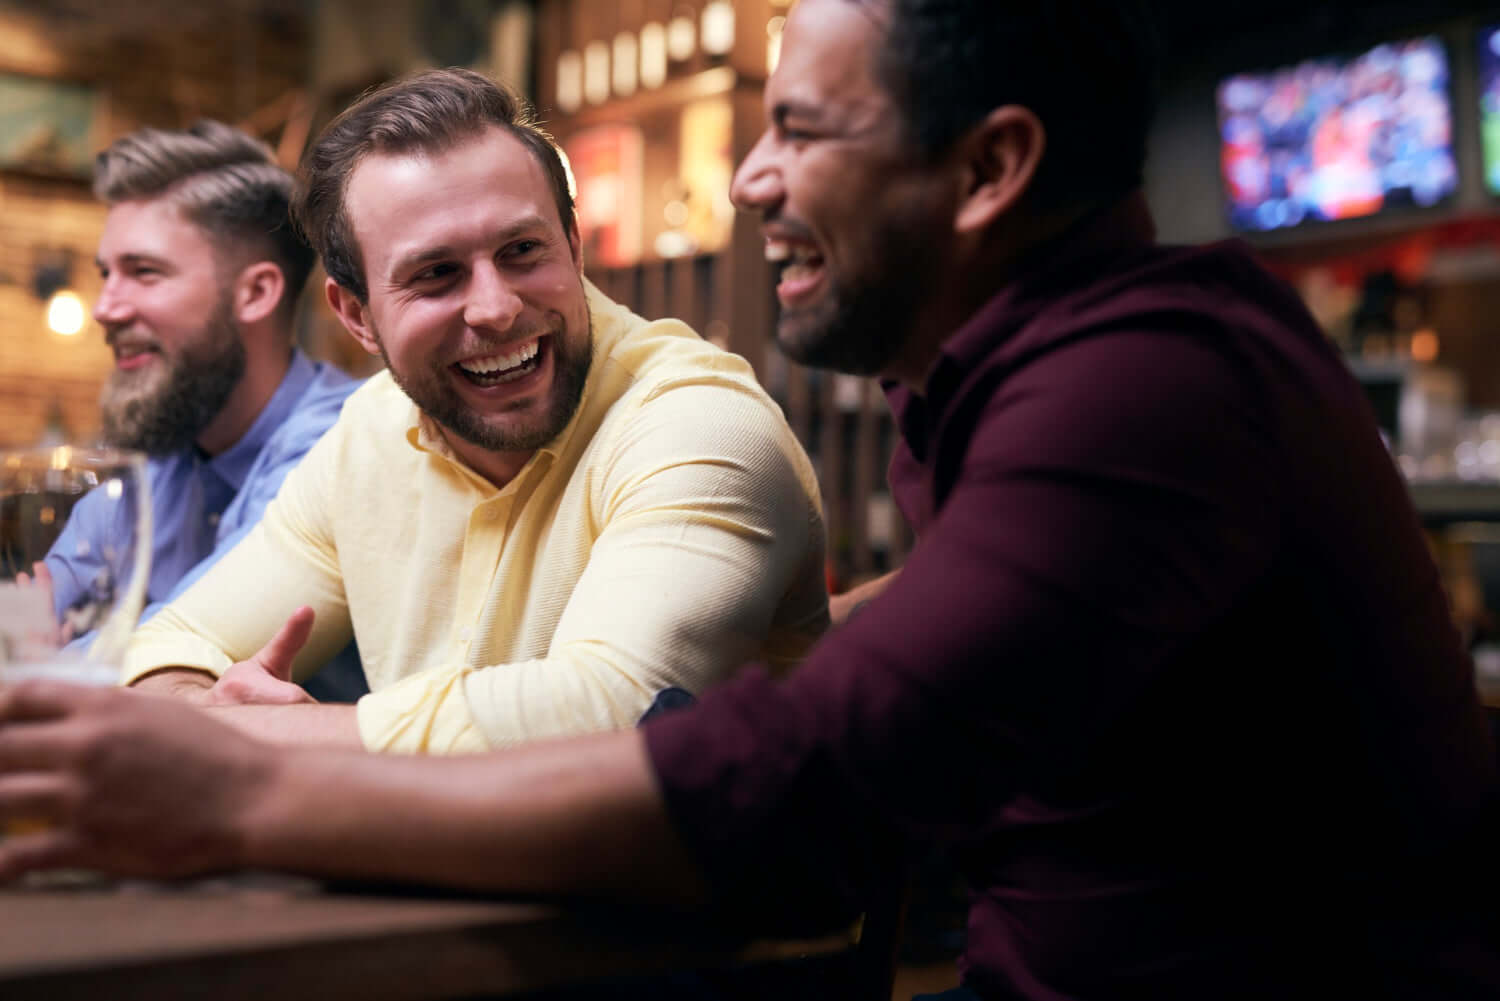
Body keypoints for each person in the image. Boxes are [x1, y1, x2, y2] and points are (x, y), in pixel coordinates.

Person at [2, 3, 1498, 999]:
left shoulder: (1145, 389)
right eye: (431, 275)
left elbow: (795, 787)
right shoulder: (1039, 391)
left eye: (801, 131)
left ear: (989, 170)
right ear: (353, 311)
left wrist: (251, 783)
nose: (747, 182)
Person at [117, 69, 829, 753]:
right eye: (436, 275)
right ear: (357, 315)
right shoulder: (367, 436)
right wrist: (196, 706)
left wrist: (275, 740)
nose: (496, 308)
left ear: (574, 248)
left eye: (522, 250)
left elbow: (615, 713)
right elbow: (172, 642)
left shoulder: (698, 422)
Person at [42, 121, 364, 701]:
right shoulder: (159, 454)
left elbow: (190, 647)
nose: (104, 309)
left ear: (256, 293)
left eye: (143, 272)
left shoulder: (344, 442)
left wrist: (44, 663)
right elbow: (34, 607)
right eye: (105, 274)